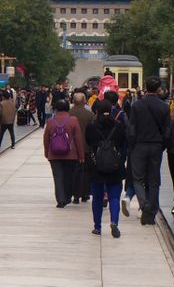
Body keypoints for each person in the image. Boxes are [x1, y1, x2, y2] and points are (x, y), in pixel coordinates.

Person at [127, 77, 171, 226]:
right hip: (156, 146)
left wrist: (131, 145)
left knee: (138, 178)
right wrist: (163, 145)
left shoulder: (137, 105)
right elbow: (167, 131)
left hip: (139, 144)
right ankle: (151, 212)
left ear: (145, 87)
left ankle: (144, 203)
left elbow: (131, 128)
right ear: (159, 89)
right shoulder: (164, 107)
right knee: (154, 180)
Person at [86, 100, 127, 237]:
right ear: (111, 110)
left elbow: (88, 142)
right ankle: (114, 222)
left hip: (97, 165)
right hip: (115, 165)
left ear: (96, 111)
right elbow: (124, 145)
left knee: (97, 198)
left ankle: (97, 226)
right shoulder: (119, 126)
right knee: (114, 197)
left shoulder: (91, 127)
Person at [44, 99, 86, 208]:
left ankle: (60, 200)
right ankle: (67, 197)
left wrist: (47, 152)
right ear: (68, 108)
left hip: (54, 154)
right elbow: (78, 139)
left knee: (57, 177)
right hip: (70, 155)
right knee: (68, 177)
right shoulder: (73, 120)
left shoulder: (50, 121)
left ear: (56, 109)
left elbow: (46, 139)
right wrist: (81, 155)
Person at [69, 92, 96, 204]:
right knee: (86, 171)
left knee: (74, 171)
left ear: (73, 101)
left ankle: (75, 195)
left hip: (72, 148)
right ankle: (85, 193)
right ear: (84, 100)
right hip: (86, 147)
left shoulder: (69, 114)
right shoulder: (89, 114)